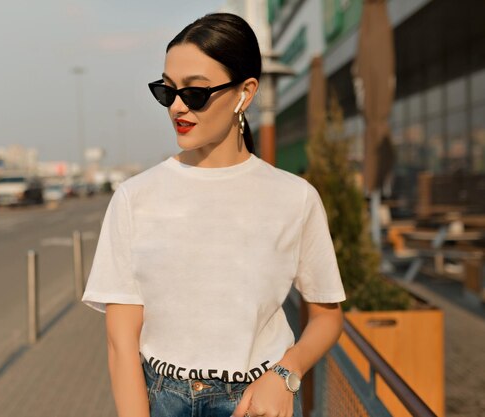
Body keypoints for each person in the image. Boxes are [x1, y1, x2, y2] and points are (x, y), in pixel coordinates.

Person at [82, 13, 345, 417]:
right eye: (167, 91)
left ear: (245, 92)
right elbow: (121, 341)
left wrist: (286, 374)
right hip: (162, 400)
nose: (178, 108)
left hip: (257, 401)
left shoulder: (295, 198)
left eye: (196, 93)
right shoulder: (135, 197)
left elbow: (327, 316)